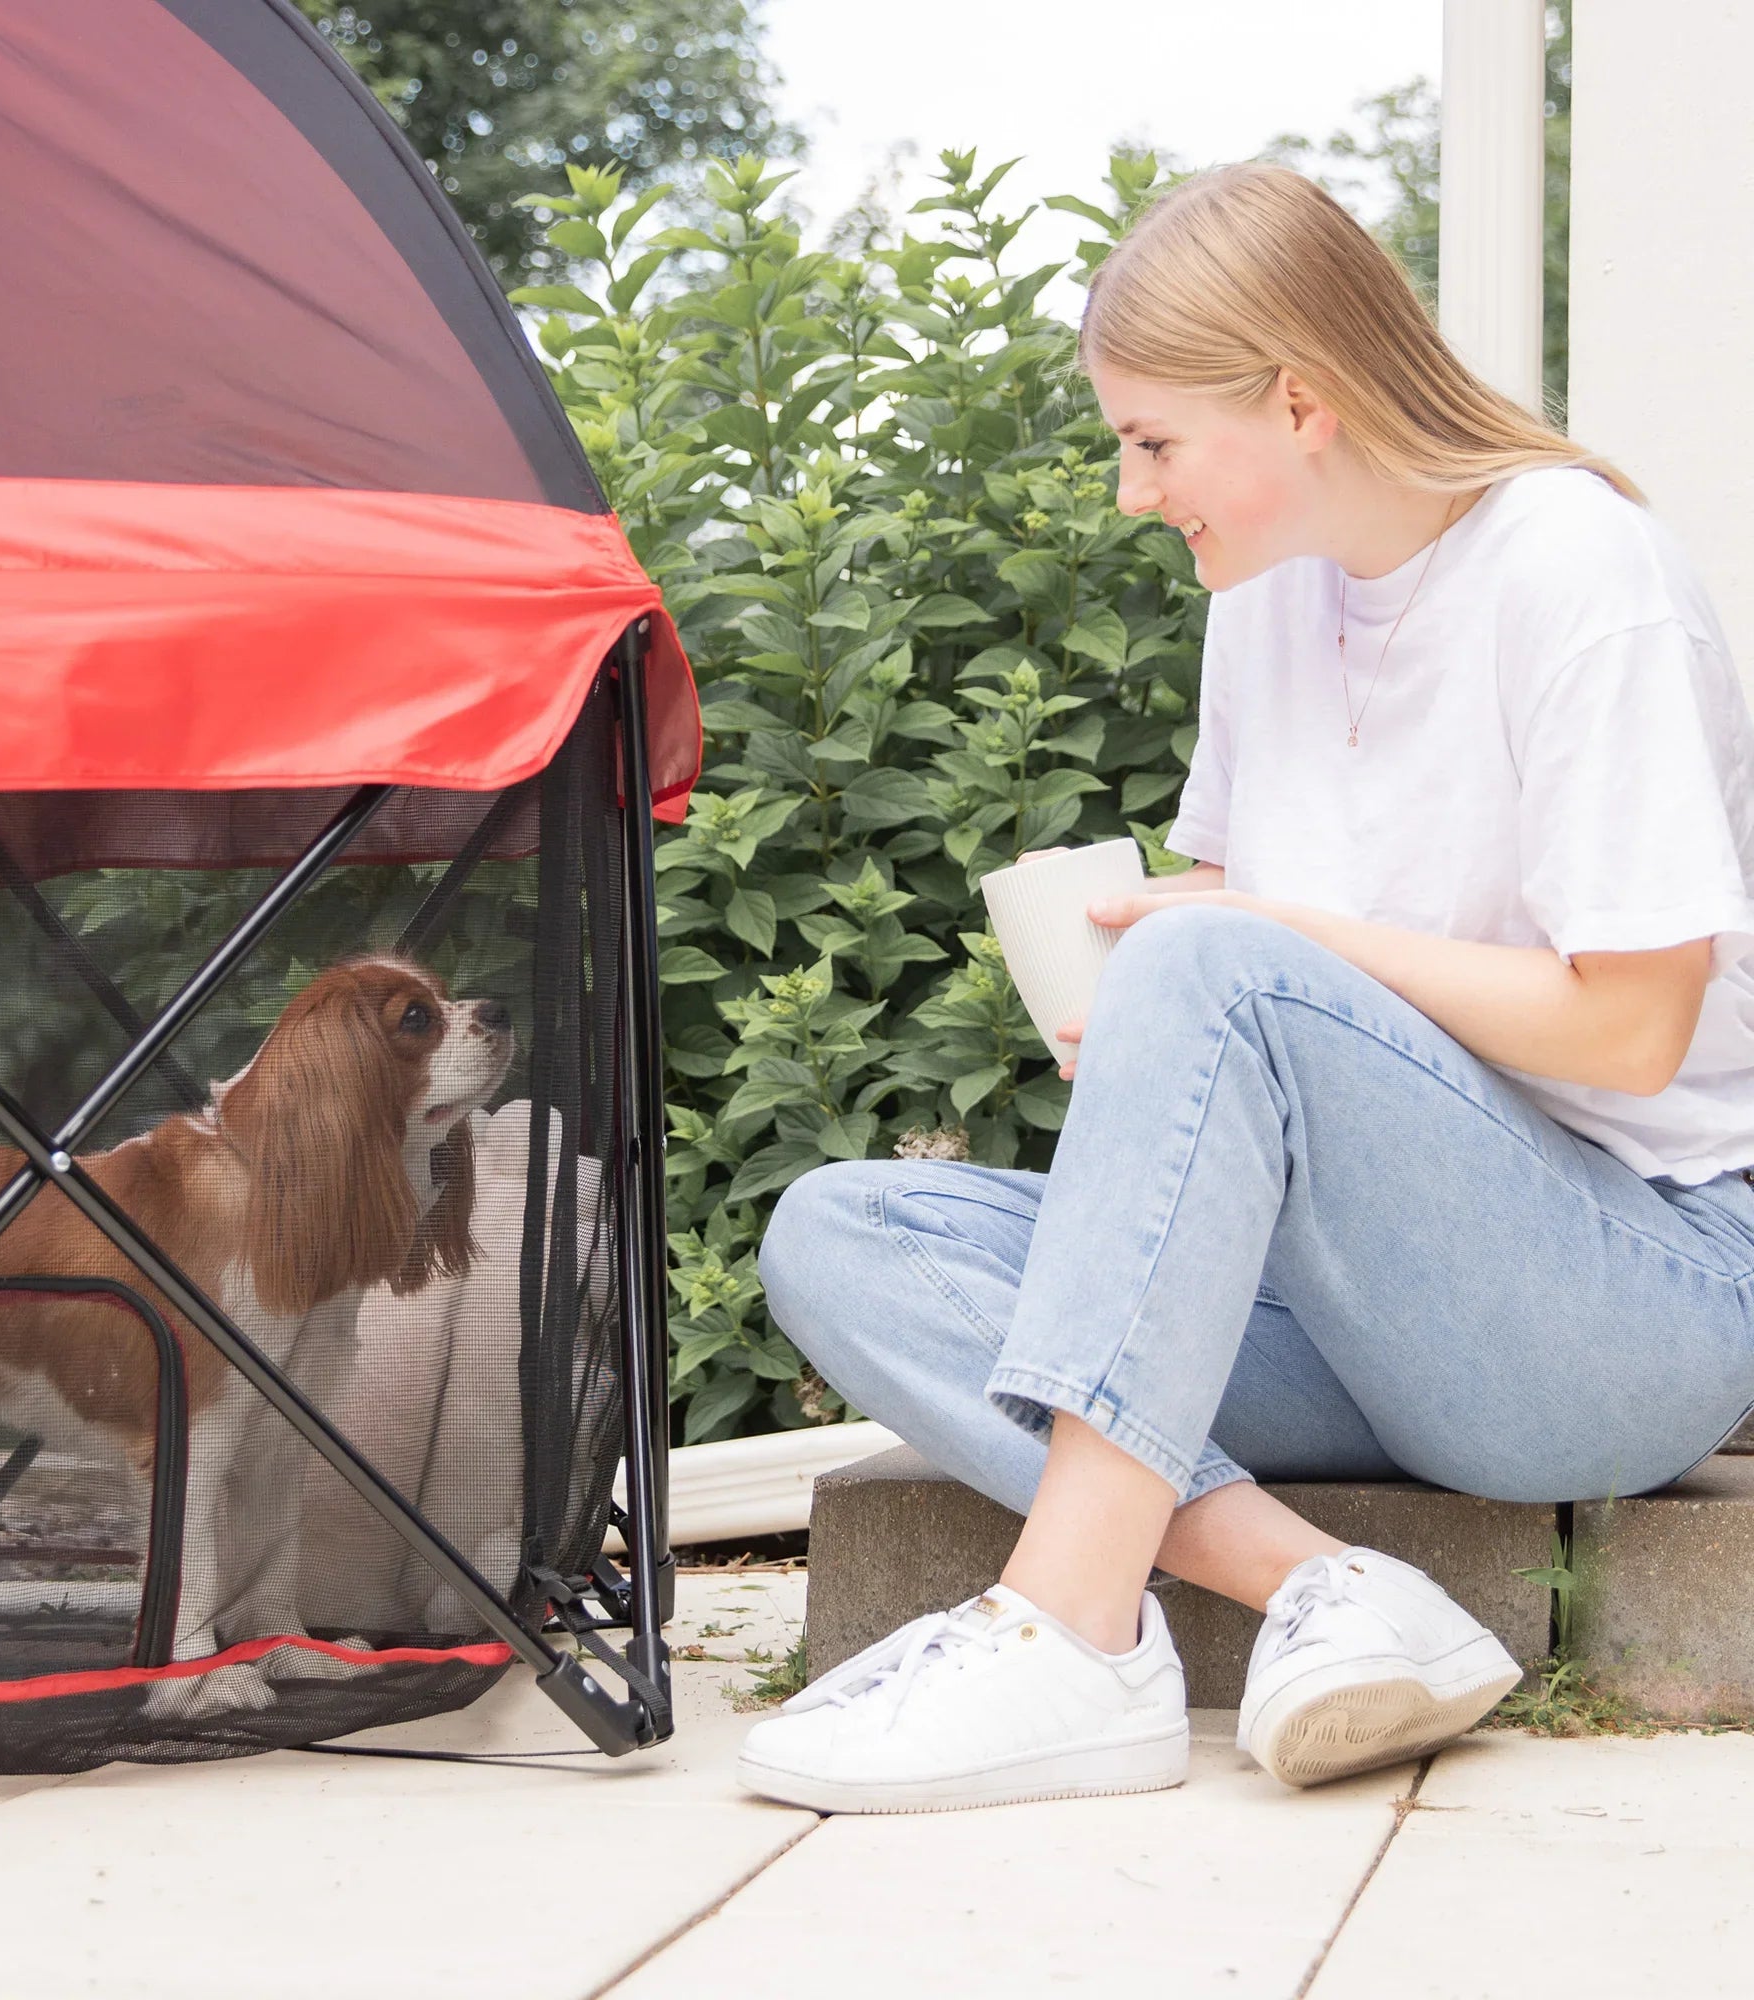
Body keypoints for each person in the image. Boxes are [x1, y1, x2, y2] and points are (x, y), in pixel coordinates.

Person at [737, 160, 1754, 1816]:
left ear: (1299, 402)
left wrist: (1246, 956)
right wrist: (1151, 1017)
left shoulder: (1579, 570)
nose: (1134, 493)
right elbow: (1252, 937)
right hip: (1351, 1301)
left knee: (1221, 958)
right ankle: (1324, 1591)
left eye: (1152, 443)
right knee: (841, 1234)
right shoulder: (1265, 605)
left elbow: (1634, 1029)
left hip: (1630, 1300)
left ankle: (1071, 1633)